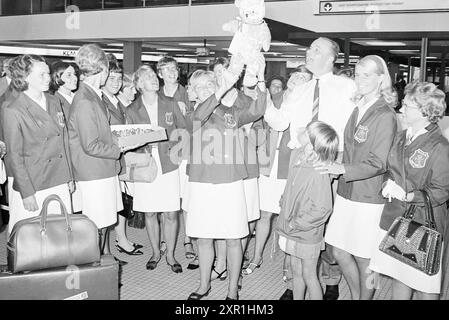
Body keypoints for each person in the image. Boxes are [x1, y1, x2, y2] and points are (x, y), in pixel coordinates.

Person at [264, 37, 357, 299]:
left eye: (317, 49)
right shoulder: (300, 90)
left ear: (331, 58)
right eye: (309, 48)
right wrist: (267, 98)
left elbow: (356, 129)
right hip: (300, 159)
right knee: (295, 218)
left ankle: (329, 279)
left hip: (332, 159)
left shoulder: (347, 86)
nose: (309, 52)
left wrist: (341, 163)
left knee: (326, 221)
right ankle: (294, 285)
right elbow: (279, 122)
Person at [316, 55, 398, 300]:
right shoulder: (358, 107)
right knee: (339, 251)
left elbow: (378, 161)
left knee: (366, 259)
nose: (359, 80)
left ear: (381, 79)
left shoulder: (384, 115)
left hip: (368, 196)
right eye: (357, 74)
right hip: (347, 192)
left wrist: (343, 169)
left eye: (367, 75)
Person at [184, 62, 267, 300]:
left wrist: (260, 80)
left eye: (210, 84)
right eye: (199, 87)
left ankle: (232, 289)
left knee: (233, 238)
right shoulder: (193, 113)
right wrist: (217, 93)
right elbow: (200, 115)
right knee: (204, 237)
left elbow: (257, 110)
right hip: (202, 184)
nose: (206, 89)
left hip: (230, 183)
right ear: (193, 92)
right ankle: (203, 285)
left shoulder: (229, 113)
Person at [369, 81, 449, 300]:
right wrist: (387, 184)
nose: (401, 109)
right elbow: (389, 169)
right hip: (395, 218)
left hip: (423, 222)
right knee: (400, 275)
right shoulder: (401, 137)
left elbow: (442, 191)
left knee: (424, 283)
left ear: (425, 112)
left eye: (407, 106)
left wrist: (409, 195)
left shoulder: (440, 146)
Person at [245, 66, 312, 284]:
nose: (297, 81)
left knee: (288, 216)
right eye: (295, 77)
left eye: (303, 78)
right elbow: (258, 122)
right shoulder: (274, 97)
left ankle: (287, 262)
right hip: (268, 162)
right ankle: (256, 258)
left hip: (291, 165)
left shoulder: (310, 104)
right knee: (264, 214)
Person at [68, 44, 129, 256]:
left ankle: (100, 267)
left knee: (101, 226)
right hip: (94, 174)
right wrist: (119, 147)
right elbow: (90, 144)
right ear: (102, 69)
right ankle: (94, 272)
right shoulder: (85, 100)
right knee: (96, 229)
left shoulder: (92, 95)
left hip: (100, 170)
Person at [2, 54, 74, 232]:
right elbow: (14, 155)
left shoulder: (53, 100)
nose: (48, 78)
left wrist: (69, 176)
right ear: (25, 77)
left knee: (59, 232)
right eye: (41, 74)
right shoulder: (13, 109)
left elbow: (63, 140)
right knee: (29, 237)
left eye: (48, 73)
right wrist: (26, 193)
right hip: (33, 181)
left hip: (59, 176)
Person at [126, 64, 186, 273]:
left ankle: (170, 254)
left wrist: (175, 146)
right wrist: (142, 144)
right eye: (148, 76)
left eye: (154, 75)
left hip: (169, 163)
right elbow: (128, 139)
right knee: (150, 213)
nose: (153, 78)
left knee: (170, 212)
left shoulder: (170, 103)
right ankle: (155, 252)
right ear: (139, 84)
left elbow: (184, 129)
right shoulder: (132, 110)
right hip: (146, 164)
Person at [278, 121, 339, 300]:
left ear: (312, 143)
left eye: (306, 131)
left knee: (309, 275)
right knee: (296, 271)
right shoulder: (298, 156)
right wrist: (284, 202)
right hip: (292, 227)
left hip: (307, 231)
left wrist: (296, 223)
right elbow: (291, 185)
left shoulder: (319, 170)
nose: (300, 131)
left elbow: (323, 208)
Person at [101, 56, 143, 256]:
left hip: (120, 156)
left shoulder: (116, 101)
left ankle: (119, 241)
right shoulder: (101, 101)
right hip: (108, 158)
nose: (116, 83)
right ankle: (107, 253)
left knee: (120, 201)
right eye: (112, 79)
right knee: (107, 208)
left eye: (119, 79)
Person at [156, 56, 196, 263]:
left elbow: (197, 124)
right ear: (159, 74)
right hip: (165, 153)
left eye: (174, 69)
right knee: (167, 201)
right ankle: (165, 239)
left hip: (187, 151)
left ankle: (188, 240)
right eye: (166, 69)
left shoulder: (189, 93)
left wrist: (187, 112)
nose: (171, 72)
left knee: (186, 199)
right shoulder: (156, 95)